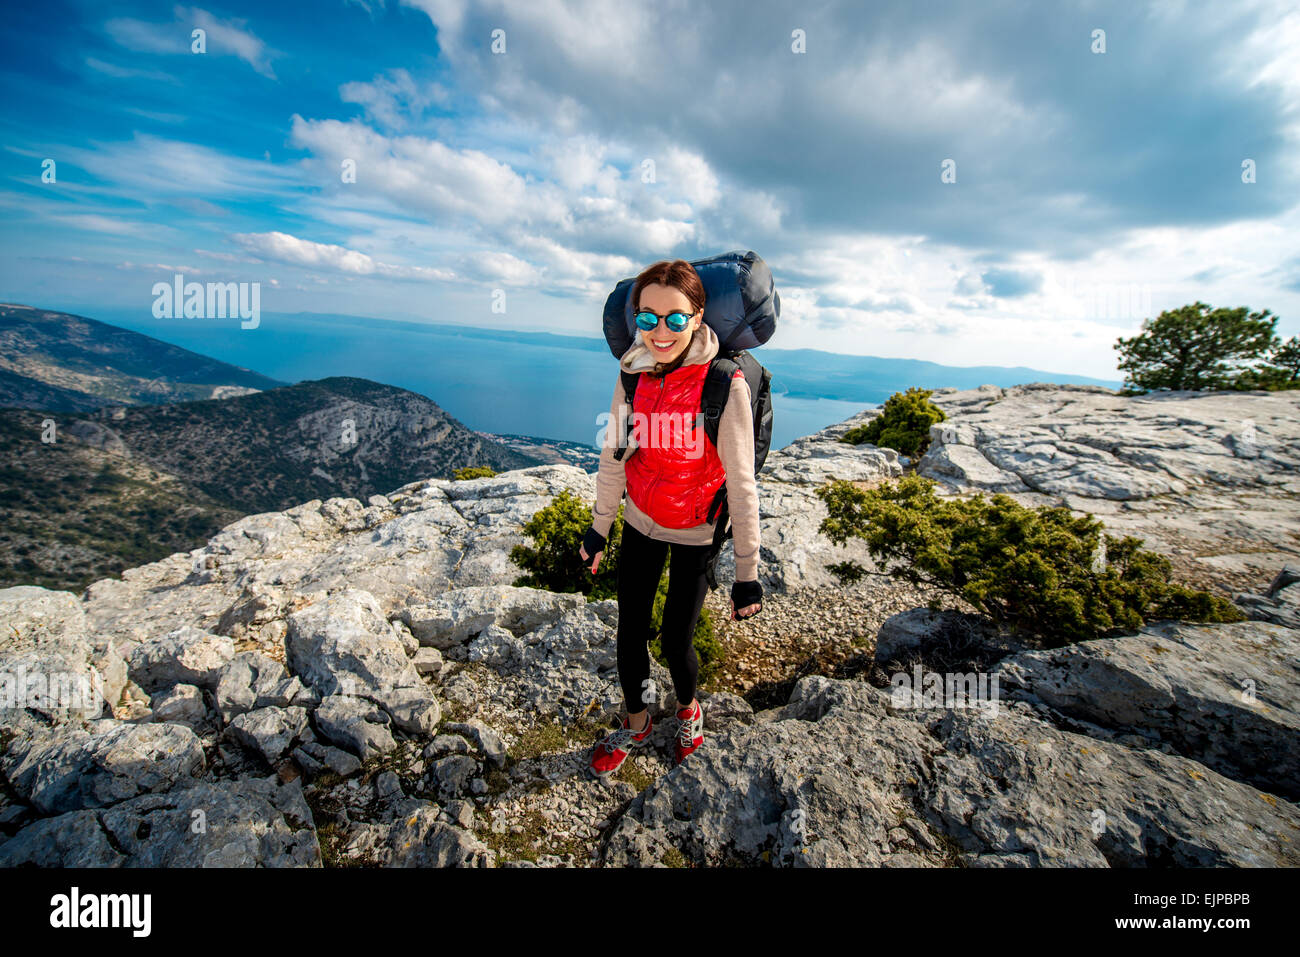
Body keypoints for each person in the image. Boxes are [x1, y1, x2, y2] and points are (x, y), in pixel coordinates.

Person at [580, 258, 763, 781]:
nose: (660, 331)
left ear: (698, 316)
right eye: (647, 317)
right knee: (630, 631)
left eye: (675, 318)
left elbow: (741, 482)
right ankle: (637, 722)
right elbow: (614, 453)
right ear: (635, 318)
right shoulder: (632, 372)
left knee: (674, 639)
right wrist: (600, 527)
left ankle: (687, 709)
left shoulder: (723, 384)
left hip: (696, 531)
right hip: (640, 519)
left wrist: (747, 573)